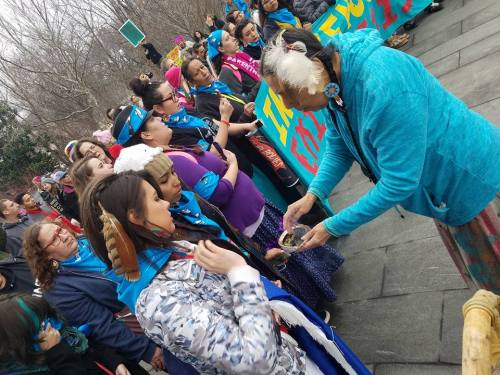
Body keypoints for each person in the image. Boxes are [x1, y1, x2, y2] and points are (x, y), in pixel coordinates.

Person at [260, 28, 500, 293]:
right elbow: (339, 145)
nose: (288, 105)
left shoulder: (383, 85)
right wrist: (313, 194)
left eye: (286, 92)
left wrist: (332, 226)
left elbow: (399, 181)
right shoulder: (332, 82)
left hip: (470, 181)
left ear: (313, 66)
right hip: (442, 188)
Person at [80, 172, 368, 374]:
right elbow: (255, 360)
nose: (166, 203)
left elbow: (226, 307)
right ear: (136, 218)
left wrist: (262, 301)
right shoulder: (158, 300)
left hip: (291, 357)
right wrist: (241, 274)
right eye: (156, 199)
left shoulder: (171, 249)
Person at [114, 145, 344, 307]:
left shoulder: (189, 199)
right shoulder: (174, 228)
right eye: (163, 181)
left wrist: (260, 253)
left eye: (173, 172)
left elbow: (229, 232)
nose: (175, 180)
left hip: (250, 263)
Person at [22, 222, 197, 374]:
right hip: (153, 326)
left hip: (177, 296)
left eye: (59, 230)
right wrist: (146, 350)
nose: (64, 235)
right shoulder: (58, 288)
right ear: (45, 256)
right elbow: (101, 325)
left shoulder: (91, 241)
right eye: (55, 239)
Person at [127, 79, 256, 176]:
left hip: (242, 161)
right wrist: (225, 117)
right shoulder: (172, 134)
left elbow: (216, 125)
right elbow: (214, 153)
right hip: (233, 174)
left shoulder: (186, 112)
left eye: (175, 93)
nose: (177, 98)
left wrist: (247, 125)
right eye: (171, 96)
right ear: (158, 108)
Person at [0, 293, 144, 374]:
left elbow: (93, 345)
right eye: (41, 326)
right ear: (20, 342)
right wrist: (57, 353)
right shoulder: (36, 366)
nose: (50, 326)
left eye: (46, 317)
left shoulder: (63, 333)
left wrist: (116, 362)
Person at [206, 30, 261, 99]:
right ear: (221, 48)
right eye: (227, 38)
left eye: (230, 36)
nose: (234, 38)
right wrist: (261, 82)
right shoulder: (227, 72)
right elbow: (241, 103)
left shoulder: (240, 55)